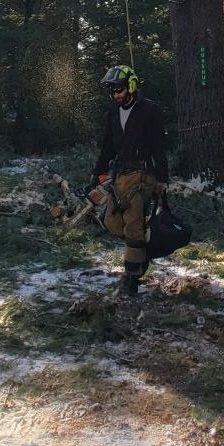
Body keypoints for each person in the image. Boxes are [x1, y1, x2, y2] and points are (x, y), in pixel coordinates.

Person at [91, 64, 169, 296]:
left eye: (119, 89)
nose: (116, 94)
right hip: (120, 176)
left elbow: (159, 146)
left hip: (143, 175)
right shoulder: (113, 113)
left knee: (134, 223)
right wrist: (97, 172)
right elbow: (107, 147)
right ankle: (140, 253)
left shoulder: (149, 110)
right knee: (113, 222)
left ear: (131, 86)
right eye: (113, 90)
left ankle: (132, 276)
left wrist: (162, 178)